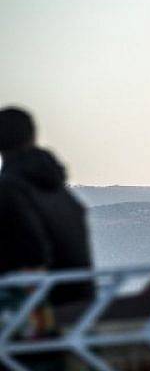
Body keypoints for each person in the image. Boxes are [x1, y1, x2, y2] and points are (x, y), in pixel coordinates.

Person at [0, 107, 94, 306]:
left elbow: (32, 253)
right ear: (33, 136)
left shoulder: (10, 189)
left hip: (46, 305)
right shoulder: (58, 190)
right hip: (81, 298)